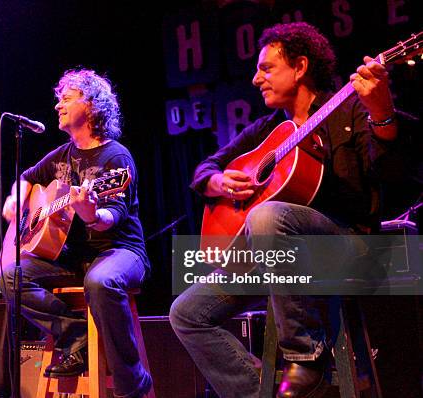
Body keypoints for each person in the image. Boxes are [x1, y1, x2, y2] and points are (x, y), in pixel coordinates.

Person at [169, 22, 398, 398]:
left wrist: (383, 116)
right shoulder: (268, 129)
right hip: (278, 260)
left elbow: (393, 170)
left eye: (267, 68)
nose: (256, 78)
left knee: (266, 214)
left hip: (347, 246)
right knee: (186, 314)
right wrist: (219, 182)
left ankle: (306, 357)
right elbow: (205, 169)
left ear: (301, 67)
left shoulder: (350, 107)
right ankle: (261, 392)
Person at [0, 69, 152, 398]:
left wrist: (91, 213)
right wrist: (16, 198)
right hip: (74, 258)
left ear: (92, 105)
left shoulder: (116, 157)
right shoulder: (62, 155)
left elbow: (112, 218)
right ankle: (77, 336)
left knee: (100, 281)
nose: (57, 106)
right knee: (9, 275)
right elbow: (25, 177)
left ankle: (132, 384)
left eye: (66, 99)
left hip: (120, 252)